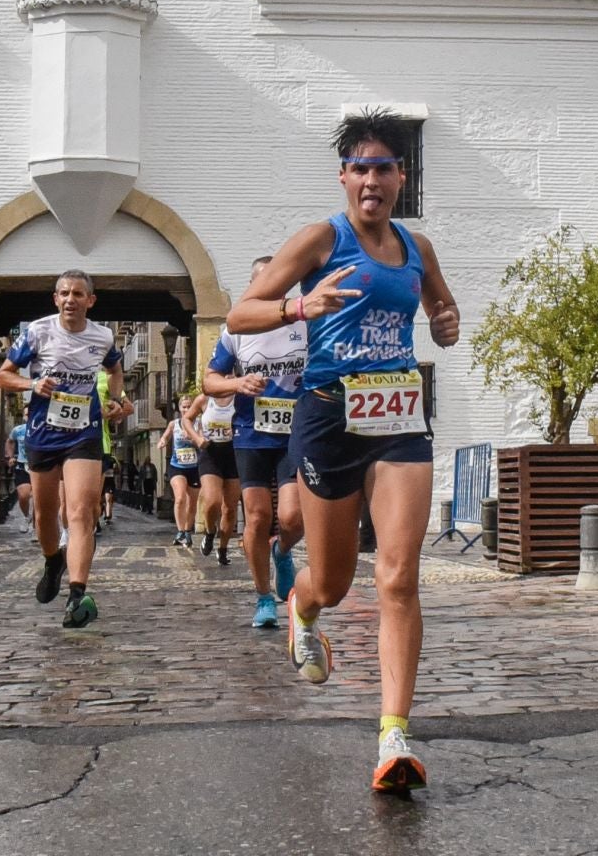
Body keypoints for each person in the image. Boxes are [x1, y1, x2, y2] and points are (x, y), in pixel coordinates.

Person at [227, 110, 460, 795]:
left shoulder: (417, 247)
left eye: (383, 167)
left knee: (397, 576)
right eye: (359, 167)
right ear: (344, 177)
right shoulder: (320, 239)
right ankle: (302, 610)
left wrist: (445, 324)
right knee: (332, 582)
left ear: (400, 178)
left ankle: (394, 735)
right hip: (329, 418)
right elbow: (242, 314)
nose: (371, 179)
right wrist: (301, 309)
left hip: (397, 420)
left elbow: (443, 319)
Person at [0, 269, 132, 628]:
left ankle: (76, 593)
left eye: (78, 294)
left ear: (91, 300)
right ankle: (53, 559)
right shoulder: (38, 331)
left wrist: (116, 398)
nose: (71, 299)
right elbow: (1, 376)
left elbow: (115, 369)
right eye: (64, 293)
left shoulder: (102, 336)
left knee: (82, 512)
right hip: (43, 434)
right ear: (56, 299)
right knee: (45, 515)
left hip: (84, 433)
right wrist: (32, 384)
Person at [205, 254, 310, 629]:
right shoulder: (236, 329)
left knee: (293, 518)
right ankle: (264, 598)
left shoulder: (306, 322)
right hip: (251, 434)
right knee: (259, 516)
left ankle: (282, 551)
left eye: (277, 280)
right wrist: (237, 383)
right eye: (261, 282)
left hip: (296, 431)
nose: (270, 288)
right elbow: (209, 381)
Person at [185, 388, 239, 566]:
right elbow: (187, 419)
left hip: (234, 454)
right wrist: (196, 438)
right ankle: (209, 532)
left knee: (230, 508)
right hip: (210, 453)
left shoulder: (240, 398)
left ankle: (222, 548)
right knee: (212, 501)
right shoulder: (204, 399)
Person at [157, 403, 202, 548]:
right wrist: (162, 441)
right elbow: (165, 437)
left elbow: (203, 443)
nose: (186, 409)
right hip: (177, 466)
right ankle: (180, 531)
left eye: (189, 406)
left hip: (194, 467)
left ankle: (188, 531)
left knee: (192, 502)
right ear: (179, 408)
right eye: (183, 406)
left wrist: (191, 439)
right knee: (180, 497)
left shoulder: (199, 423)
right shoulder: (173, 424)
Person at [4, 413, 33, 533]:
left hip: (38, 466)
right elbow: (10, 441)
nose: (27, 416)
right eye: (26, 414)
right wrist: (10, 457)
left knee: (38, 499)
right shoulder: (19, 430)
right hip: (22, 465)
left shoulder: (44, 428)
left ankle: (37, 526)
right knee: (23, 496)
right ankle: (27, 517)